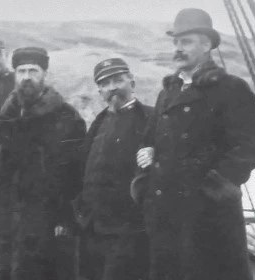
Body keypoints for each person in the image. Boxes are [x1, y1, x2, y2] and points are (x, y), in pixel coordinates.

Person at [134, 8, 255, 280]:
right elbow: (150, 140)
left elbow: (248, 149)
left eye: (187, 42)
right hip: (167, 216)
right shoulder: (168, 92)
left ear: (207, 45)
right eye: (177, 42)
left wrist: (213, 187)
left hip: (209, 220)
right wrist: (148, 160)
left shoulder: (231, 88)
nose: (178, 49)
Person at [0, 47, 86, 280]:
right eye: (21, 71)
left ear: (44, 73)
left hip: (48, 223)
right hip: (8, 219)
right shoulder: (7, 116)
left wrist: (66, 218)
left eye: (33, 71)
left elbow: (76, 175)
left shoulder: (67, 118)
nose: (26, 77)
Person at [73, 58, 150, 280]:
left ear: (132, 82)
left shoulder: (150, 117)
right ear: (99, 91)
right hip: (93, 228)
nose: (112, 87)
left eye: (118, 80)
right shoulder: (98, 122)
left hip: (130, 231)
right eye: (105, 83)